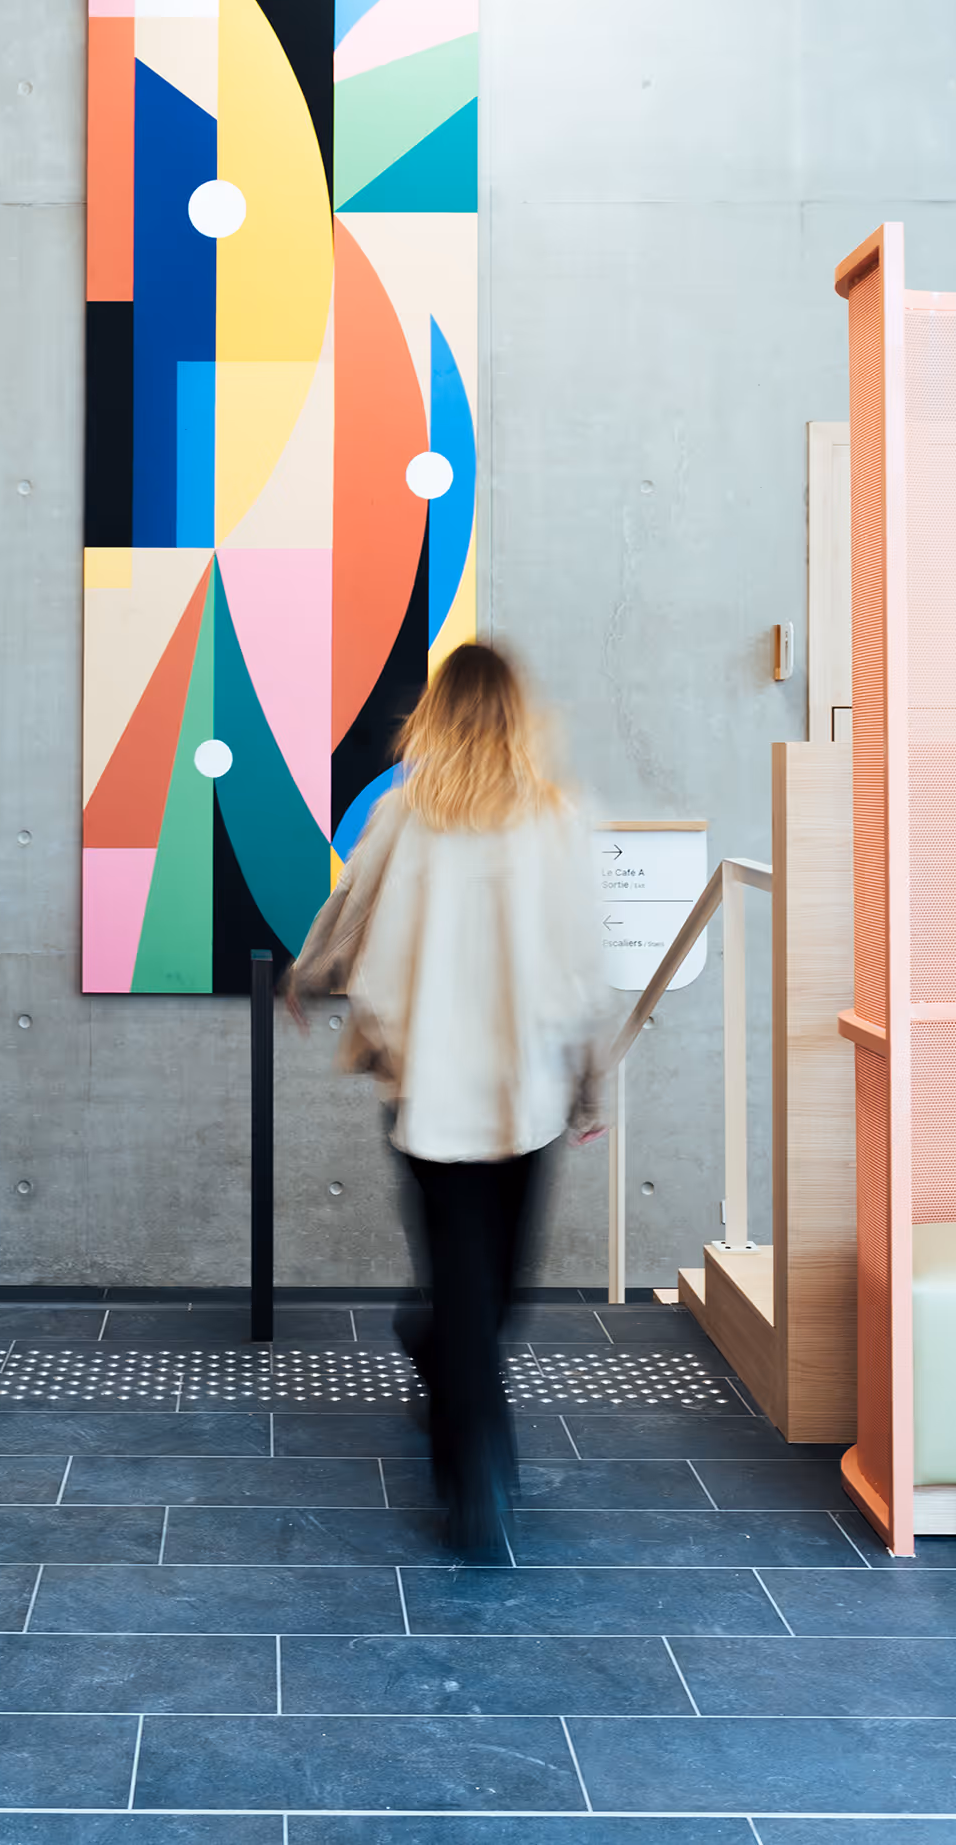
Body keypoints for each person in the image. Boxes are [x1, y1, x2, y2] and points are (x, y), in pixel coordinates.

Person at [285, 645, 607, 1558]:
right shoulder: (432, 814)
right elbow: (582, 963)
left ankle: (435, 1342)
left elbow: (352, 909)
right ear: (517, 715)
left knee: (494, 1289)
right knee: (480, 1284)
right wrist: (306, 975)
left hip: (485, 1091)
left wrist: (310, 976)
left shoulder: (523, 816)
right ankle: (475, 1471)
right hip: (469, 1091)